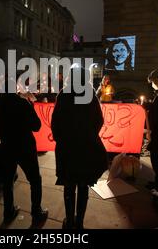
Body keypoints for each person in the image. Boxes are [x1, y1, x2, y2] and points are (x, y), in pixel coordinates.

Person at [51, 67, 108, 229]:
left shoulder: (64, 93)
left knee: (69, 185)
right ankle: (79, 222)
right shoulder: (89, 94)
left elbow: (56, 120)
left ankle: (69, 221)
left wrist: (60, 138)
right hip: (87, 146)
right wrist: (90, 134)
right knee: (83, 186)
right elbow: (99, 120)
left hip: (67, 147)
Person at [0, 76, 49, 227]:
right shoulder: (22, 103)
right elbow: (36, 126)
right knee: (35, 180)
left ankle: (8, 211)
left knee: (8, 181)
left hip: (7, 147)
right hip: (25, 146)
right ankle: (36, 211)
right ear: (15, 89)